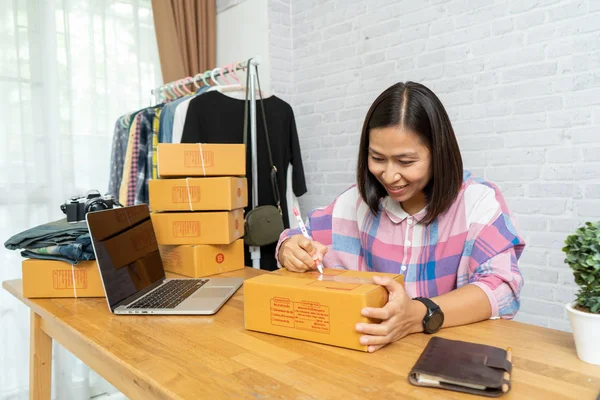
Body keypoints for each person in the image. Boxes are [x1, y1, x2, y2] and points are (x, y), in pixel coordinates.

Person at [276, 82, 525, 352]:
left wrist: (418, 314)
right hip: (368, 358)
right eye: (377, 158)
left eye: (406, 162)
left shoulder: (477, 202)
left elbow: (502, 289)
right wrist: (289, 248)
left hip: (446, 356)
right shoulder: (354, 202)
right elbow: (299, 237)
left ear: (438, 153)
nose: (390, 176)